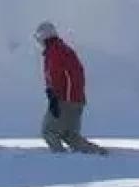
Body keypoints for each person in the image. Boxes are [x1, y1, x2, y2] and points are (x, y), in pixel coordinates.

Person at [34, 22, 107, 155]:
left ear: (44, 36)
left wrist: (55, 97)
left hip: (65, 99)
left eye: (39, 37)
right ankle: (98, 153)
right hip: (76, 99)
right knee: (70, 135)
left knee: (49, 131)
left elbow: (55, 75)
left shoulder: (55, 51)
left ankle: (60, 159)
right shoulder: (62, 49)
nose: (39, 42)